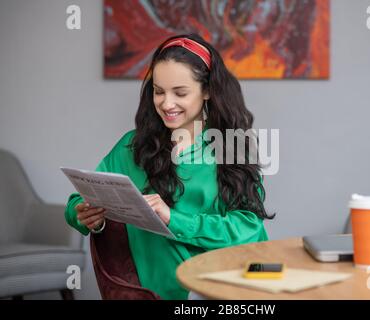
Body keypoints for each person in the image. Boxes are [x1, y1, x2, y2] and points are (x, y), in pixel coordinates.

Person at [64, 33, 274, 300]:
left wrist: (173, 219)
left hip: (220, 288)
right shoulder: (132, 146)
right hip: (152, 291)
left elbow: (247, 229)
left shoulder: (231, 147)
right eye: (159, 91)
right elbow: (79, 199)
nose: (167, 103)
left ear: (207, 90)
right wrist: (80, 214)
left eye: (180, 93)